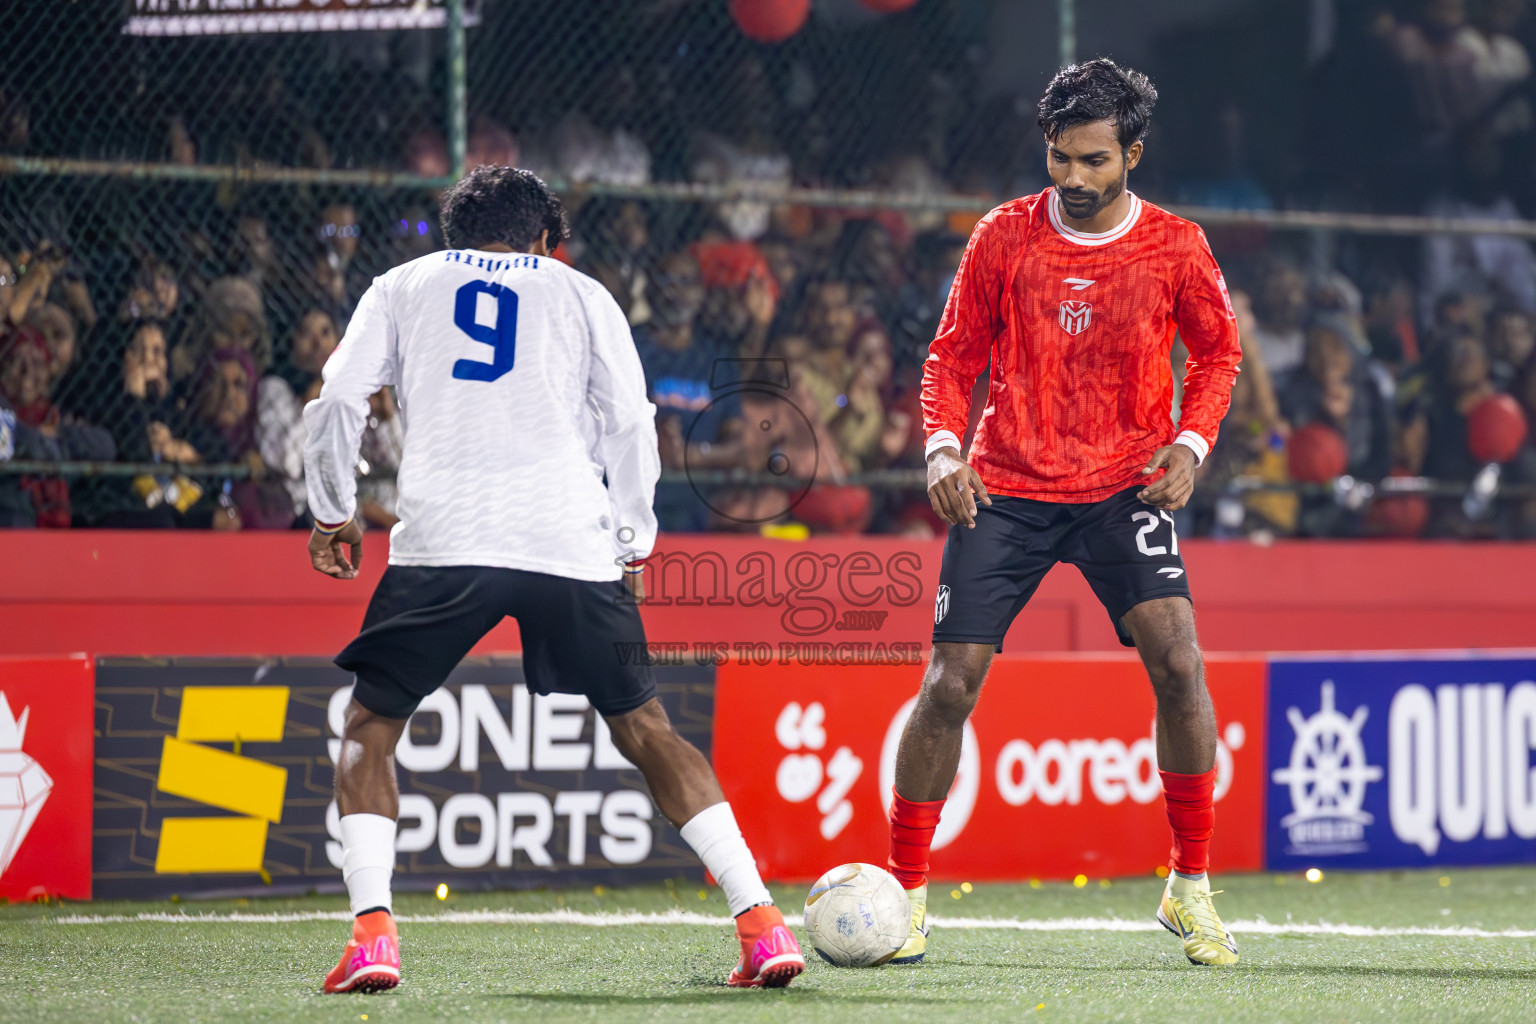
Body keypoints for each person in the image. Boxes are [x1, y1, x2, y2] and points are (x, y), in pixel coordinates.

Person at [302, 166, 803, 994]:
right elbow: (631, 423)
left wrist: (332, 511)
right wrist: (634, 542)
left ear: (457, 233)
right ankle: (760, 923)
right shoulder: (582, 293)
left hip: (447, 540)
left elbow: (336, 401)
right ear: (543, 240)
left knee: (371, 727)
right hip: (568, 538)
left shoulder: (401, 285)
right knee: (646, 729)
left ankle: (374, 938)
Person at [888, 59, 1243, 968]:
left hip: (1126, 488)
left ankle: (1190, 888)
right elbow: (950, 357)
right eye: (1060, 158)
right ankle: (905, 897)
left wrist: (1190, 446)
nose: (1074, 178)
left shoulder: (1176, 246)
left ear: (1132, 153)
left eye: (1093, 160)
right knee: (949, 686)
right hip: (1006, 486)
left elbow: (1218, 355)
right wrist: (942, 450)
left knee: (1180, 662)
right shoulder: (1003, 235)